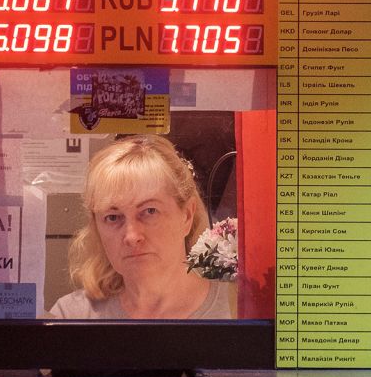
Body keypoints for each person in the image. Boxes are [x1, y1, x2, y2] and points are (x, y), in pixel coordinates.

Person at [49, 134, 235, 319]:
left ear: (186, 216)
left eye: (149, 211)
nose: (131, 236)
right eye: (113, 217)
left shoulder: (237, 308)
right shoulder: (72, 317)